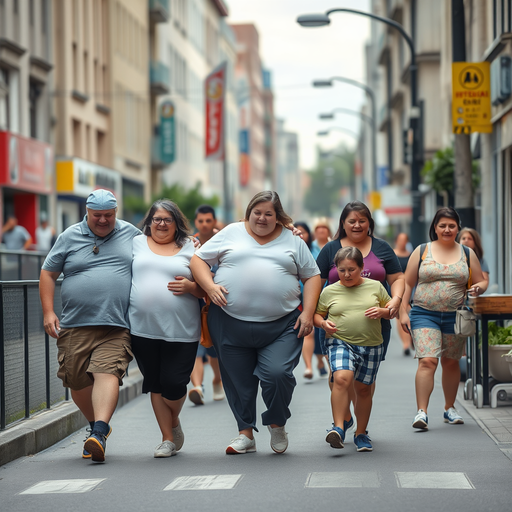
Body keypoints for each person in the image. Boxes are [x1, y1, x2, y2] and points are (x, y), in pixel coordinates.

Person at [190, 191, 322, 455]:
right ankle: (245, 433)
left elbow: (312, 276)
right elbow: (198, 260)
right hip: (229, 322)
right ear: (249, 212)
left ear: (278, 217)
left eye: (269, 214)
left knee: (278, 374)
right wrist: (210, 286)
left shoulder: (292, 240)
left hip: (282, 324)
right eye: (257, 213)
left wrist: (308, 313)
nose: (262, 218)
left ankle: (277, 422)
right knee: (238, 381)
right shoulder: (231, 232)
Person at [39, 189, 141, 462]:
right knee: (77, 380)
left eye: (109, 215)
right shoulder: (69, 236)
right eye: (98, 215)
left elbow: (158, 249)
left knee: (108, 372)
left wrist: (187, 243)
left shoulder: (131, 233)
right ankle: (98, 430)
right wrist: (48, 312)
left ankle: (98, 430)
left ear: (116, 212)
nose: (104, 220)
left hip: (116, 325)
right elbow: (48, 273)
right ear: (87, 212)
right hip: (75, 325)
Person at [129, 199, 205, 458]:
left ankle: (173, 422)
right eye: (157, 219)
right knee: (155, 384)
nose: (161, 224)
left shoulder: (191, 247)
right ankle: (167, 439)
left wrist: (191, 287)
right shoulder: (136, 243)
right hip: (143, 329)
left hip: (182, 330)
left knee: (175, 384)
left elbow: (205, 285)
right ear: (149, 222)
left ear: (176, 223)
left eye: (167, 219)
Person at [400, 207, 487, 430]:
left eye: (451, 225)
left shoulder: (467, 253)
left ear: (458, 228)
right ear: (435, 228)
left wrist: (479, 287)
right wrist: (402, 312)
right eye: (442, 225)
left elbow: (481, 280)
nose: (447, 229)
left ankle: (450, 408)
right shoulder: (421, 251)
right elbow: (407, 283)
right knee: (428, 360)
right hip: (423, 313)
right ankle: (422, 412)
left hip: (455, 316)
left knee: (450, 362)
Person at [315, 247, 391, 452]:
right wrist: (323, 324)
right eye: (342, 270)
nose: (347, 275)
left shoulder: (376, 287)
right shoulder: (329, 290)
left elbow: (391, 311)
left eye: (351, 270)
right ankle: (338, 428)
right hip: (340, 341)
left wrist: (383, 311)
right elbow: (318, 315)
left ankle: (361, 433)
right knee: (341, 378)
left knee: (364, 389)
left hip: (371, 344)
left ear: (362, 268)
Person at [188, 204, 225, 405]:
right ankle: (197, 387)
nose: (204, 224)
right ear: (196, 222)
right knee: (196, 346)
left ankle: (217, 380)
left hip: (218, 302)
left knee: (213, 348)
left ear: (214, 221)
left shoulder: (224, 240)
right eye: (200, 221)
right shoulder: (190, 244)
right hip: (194, 300)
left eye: (208, 220)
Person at [295, 221, 327, 380]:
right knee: (307, 331)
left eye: (303, 232)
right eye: (297, 232)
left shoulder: (318, 251)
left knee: (321, 330)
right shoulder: (288, 249)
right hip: (296, 297)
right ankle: (308, 367)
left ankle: (320, 361)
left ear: (309, 235)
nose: (300, 235)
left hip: (317, 295)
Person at [394, 232, 413, 356]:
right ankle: (405, 344)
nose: (402, 242)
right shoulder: (392, 254)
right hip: (397, 288)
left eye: (404, 240)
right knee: (400, 314)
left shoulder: (411, 256)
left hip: (409, 288)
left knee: (409, 313)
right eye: (400, 240)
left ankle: (409, 339)